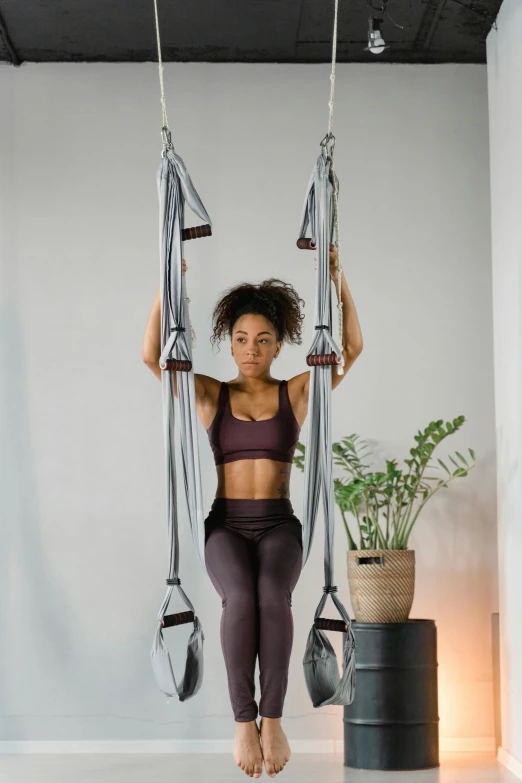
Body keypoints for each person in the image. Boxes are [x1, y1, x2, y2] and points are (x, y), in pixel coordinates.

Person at [141, 245, 363, 778]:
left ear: (279, 344)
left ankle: (273, 718)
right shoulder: (211, 395)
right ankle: (245, 723)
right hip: (224, 524)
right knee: (240, 597)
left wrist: (338, 279)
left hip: (280, 525)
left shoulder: (298, 393)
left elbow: (351, 347)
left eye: (262, 340)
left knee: (272, 596)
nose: (251, 349)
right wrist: (165, 284)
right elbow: (153, 358)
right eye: (241, 339)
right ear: (229, 342)